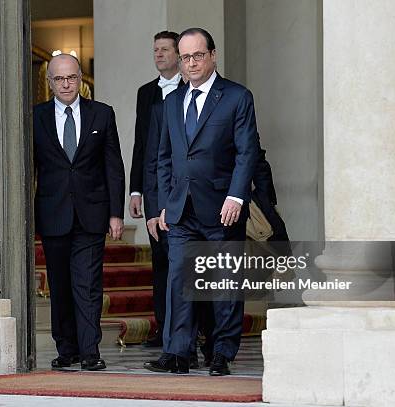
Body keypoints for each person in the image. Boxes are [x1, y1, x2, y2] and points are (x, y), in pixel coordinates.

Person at [144, 27, 262, 376]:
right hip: (181, 210)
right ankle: (177, 353)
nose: (191, 62)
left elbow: (247, 152)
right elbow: (163, 157)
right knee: (179, 280)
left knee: (224, 285)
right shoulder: (170, 103)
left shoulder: (237, 97)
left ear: (213, 55)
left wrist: (237, 196)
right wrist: (165, 202)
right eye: (185, 57)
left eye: (198, 55)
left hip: (222, 208)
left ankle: (221, 352)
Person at [33, 54, 125, 371]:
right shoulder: (36, 117)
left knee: (87, 283)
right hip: (52, 212)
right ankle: (67, 348)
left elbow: (113, 166)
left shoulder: (102, 114)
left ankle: (90, 351)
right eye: (59, 79)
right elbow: (28, 169)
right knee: (59, 285)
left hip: (92, 213)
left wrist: (116, 214)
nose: (66, 84)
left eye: (71, 77)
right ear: (50, 83)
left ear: (81, 77)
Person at [129, 30, 182, 347]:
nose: (159, 55)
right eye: (156, 50)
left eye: (164, 49)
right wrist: (136, 189)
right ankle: (164, 329)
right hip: (154, 188)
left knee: (186, 261)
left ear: (178, 54)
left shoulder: (192, 88)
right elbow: (141, 144)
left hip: (184, 188)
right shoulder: (145, 92)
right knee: (160, 261)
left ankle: (190, 330)